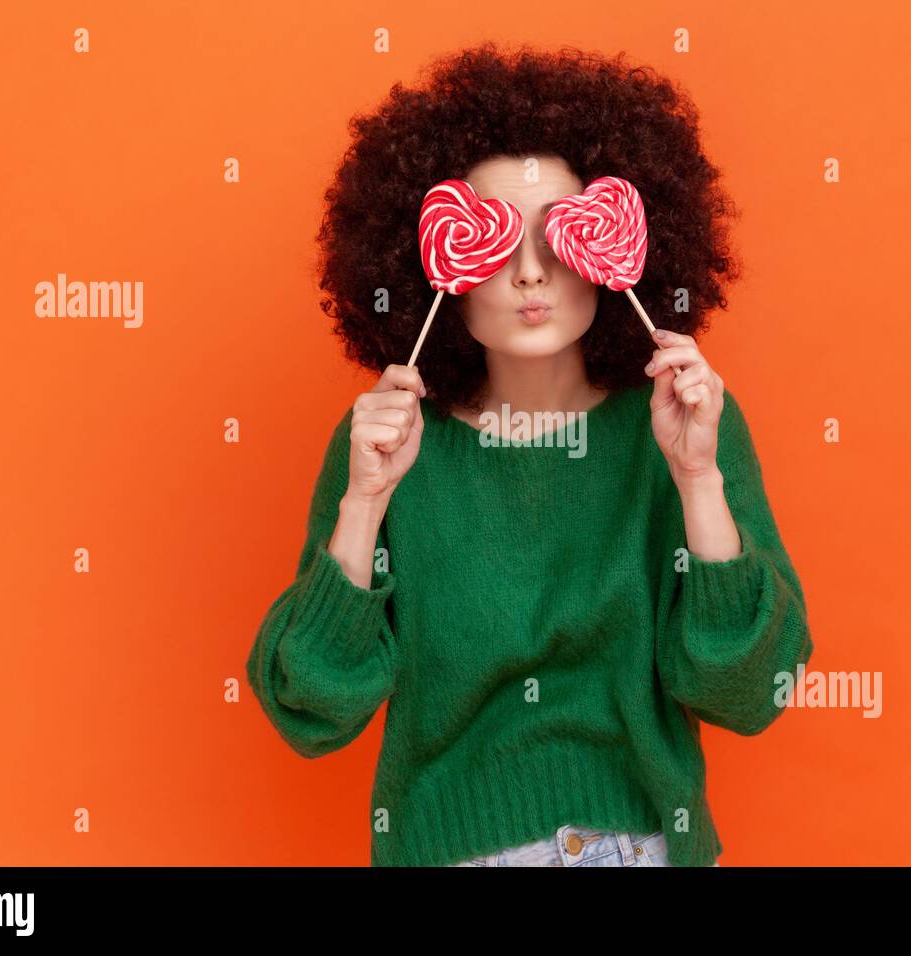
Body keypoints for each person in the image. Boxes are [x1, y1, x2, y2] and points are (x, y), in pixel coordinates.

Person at [245, 42, 812, 867]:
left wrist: (697, 479)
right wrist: (363, 506)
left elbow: (752, 693)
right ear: (433, 259)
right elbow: (310, 709)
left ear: (619, 244)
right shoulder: (386, 441)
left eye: (561, 235)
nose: (529, 272)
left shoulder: (685, 425)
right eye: (493, 240)